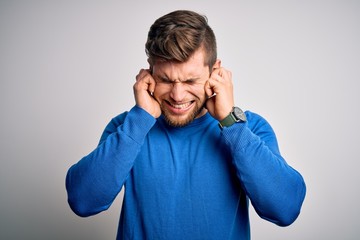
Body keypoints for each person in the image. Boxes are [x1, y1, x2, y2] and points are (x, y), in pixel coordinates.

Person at [66, 10, 306, 240]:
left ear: (215, 72)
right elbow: (83, 202)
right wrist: (139, 121)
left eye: (191, 80)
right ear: (149, 73)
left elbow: (285, 210)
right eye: (166, 80)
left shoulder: (248, 129)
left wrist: (231, 123)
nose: (178, 95)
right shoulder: (128, 128)